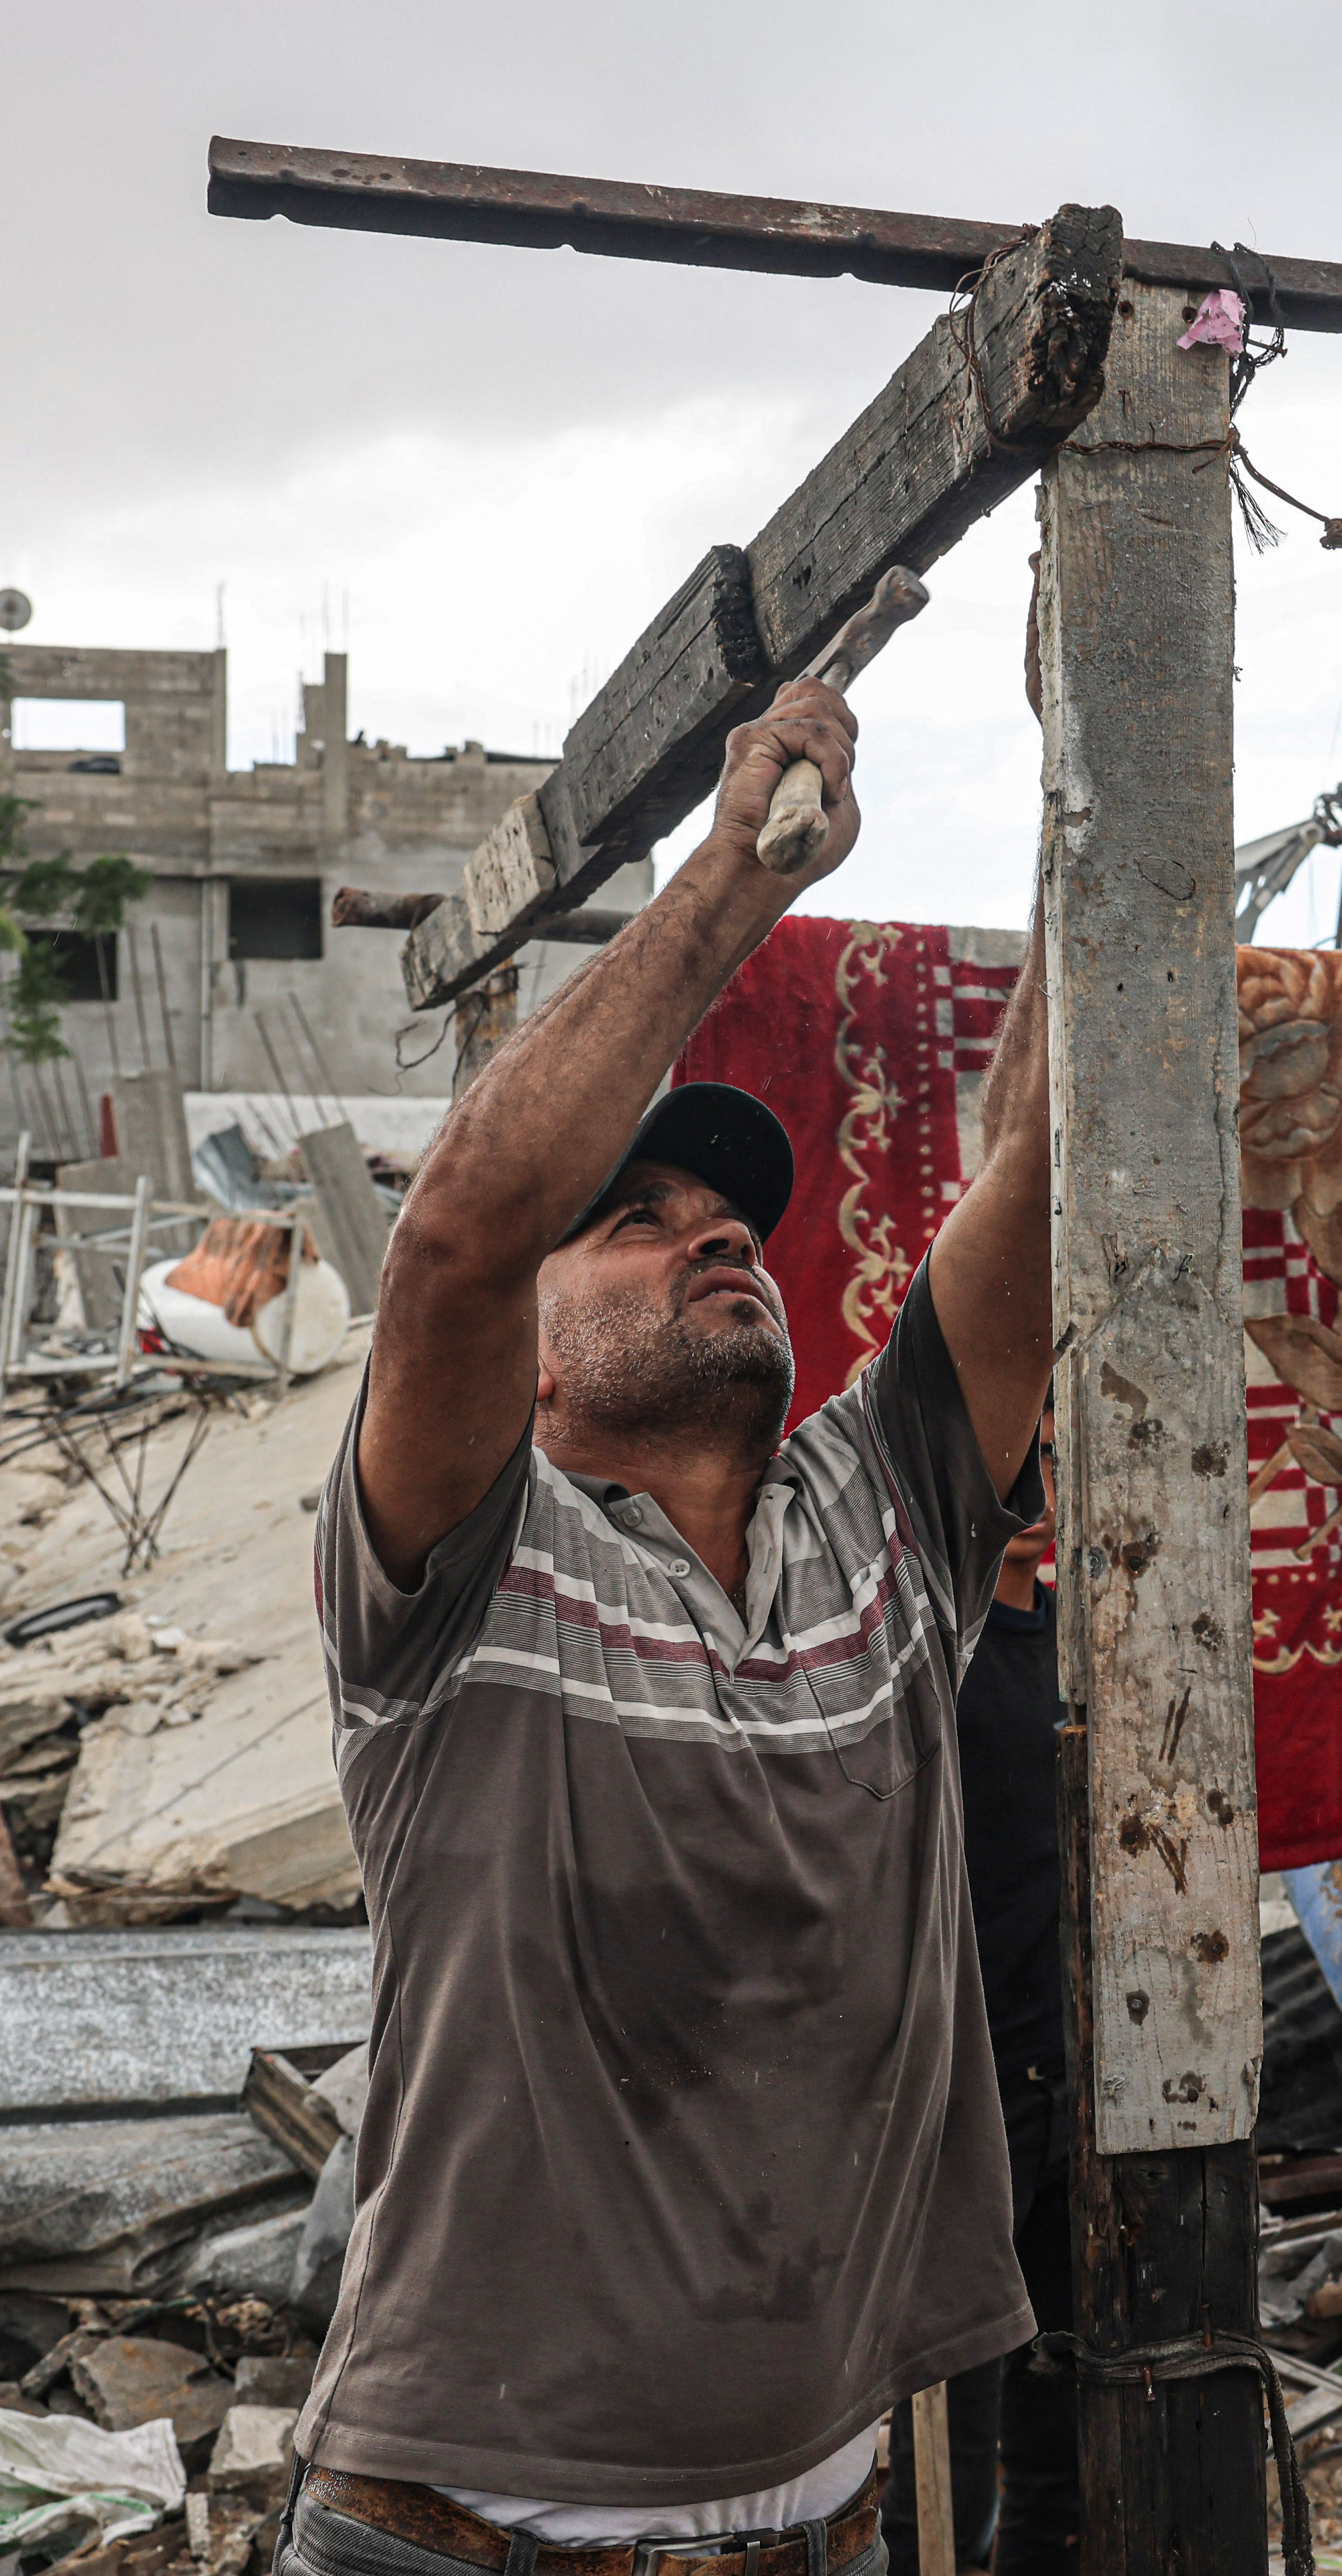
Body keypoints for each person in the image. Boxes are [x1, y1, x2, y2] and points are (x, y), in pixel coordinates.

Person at [285, 673, 1054, 2576]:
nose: (715, 1232)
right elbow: (461, 1231)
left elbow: (1050, 1171)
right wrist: (737, 871)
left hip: (824, 2532)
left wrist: (1089, 768)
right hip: (456, 2540)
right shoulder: (461, 1567)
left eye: (733, 1219)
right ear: (529, 1359)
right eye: (637, 1217)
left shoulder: (881, 1526)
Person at [887, 1415, 1078, 2576]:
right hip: (961, 2097)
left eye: (1050, 1457)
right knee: (945, 2442)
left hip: (1072, 2088)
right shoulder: (926, 1666)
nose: (1035, 1487)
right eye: (1013, 1456)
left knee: (1064, 2417)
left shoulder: (1083, 1647)